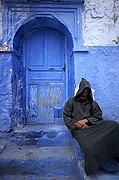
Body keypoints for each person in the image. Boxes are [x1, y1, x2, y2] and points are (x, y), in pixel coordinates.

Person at [63, 78, 119, 176]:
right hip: (79, 130)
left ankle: (114, 156)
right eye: (83, 92)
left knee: (114, 125)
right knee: (89, 146)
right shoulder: (71, 102)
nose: (84, 94)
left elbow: (98, 116)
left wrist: (86, 121)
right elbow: (66, 116)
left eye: (87, 92)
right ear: (80, 91)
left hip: (93, 126)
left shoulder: (93, 103)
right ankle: (105, 164)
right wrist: (78, 125)